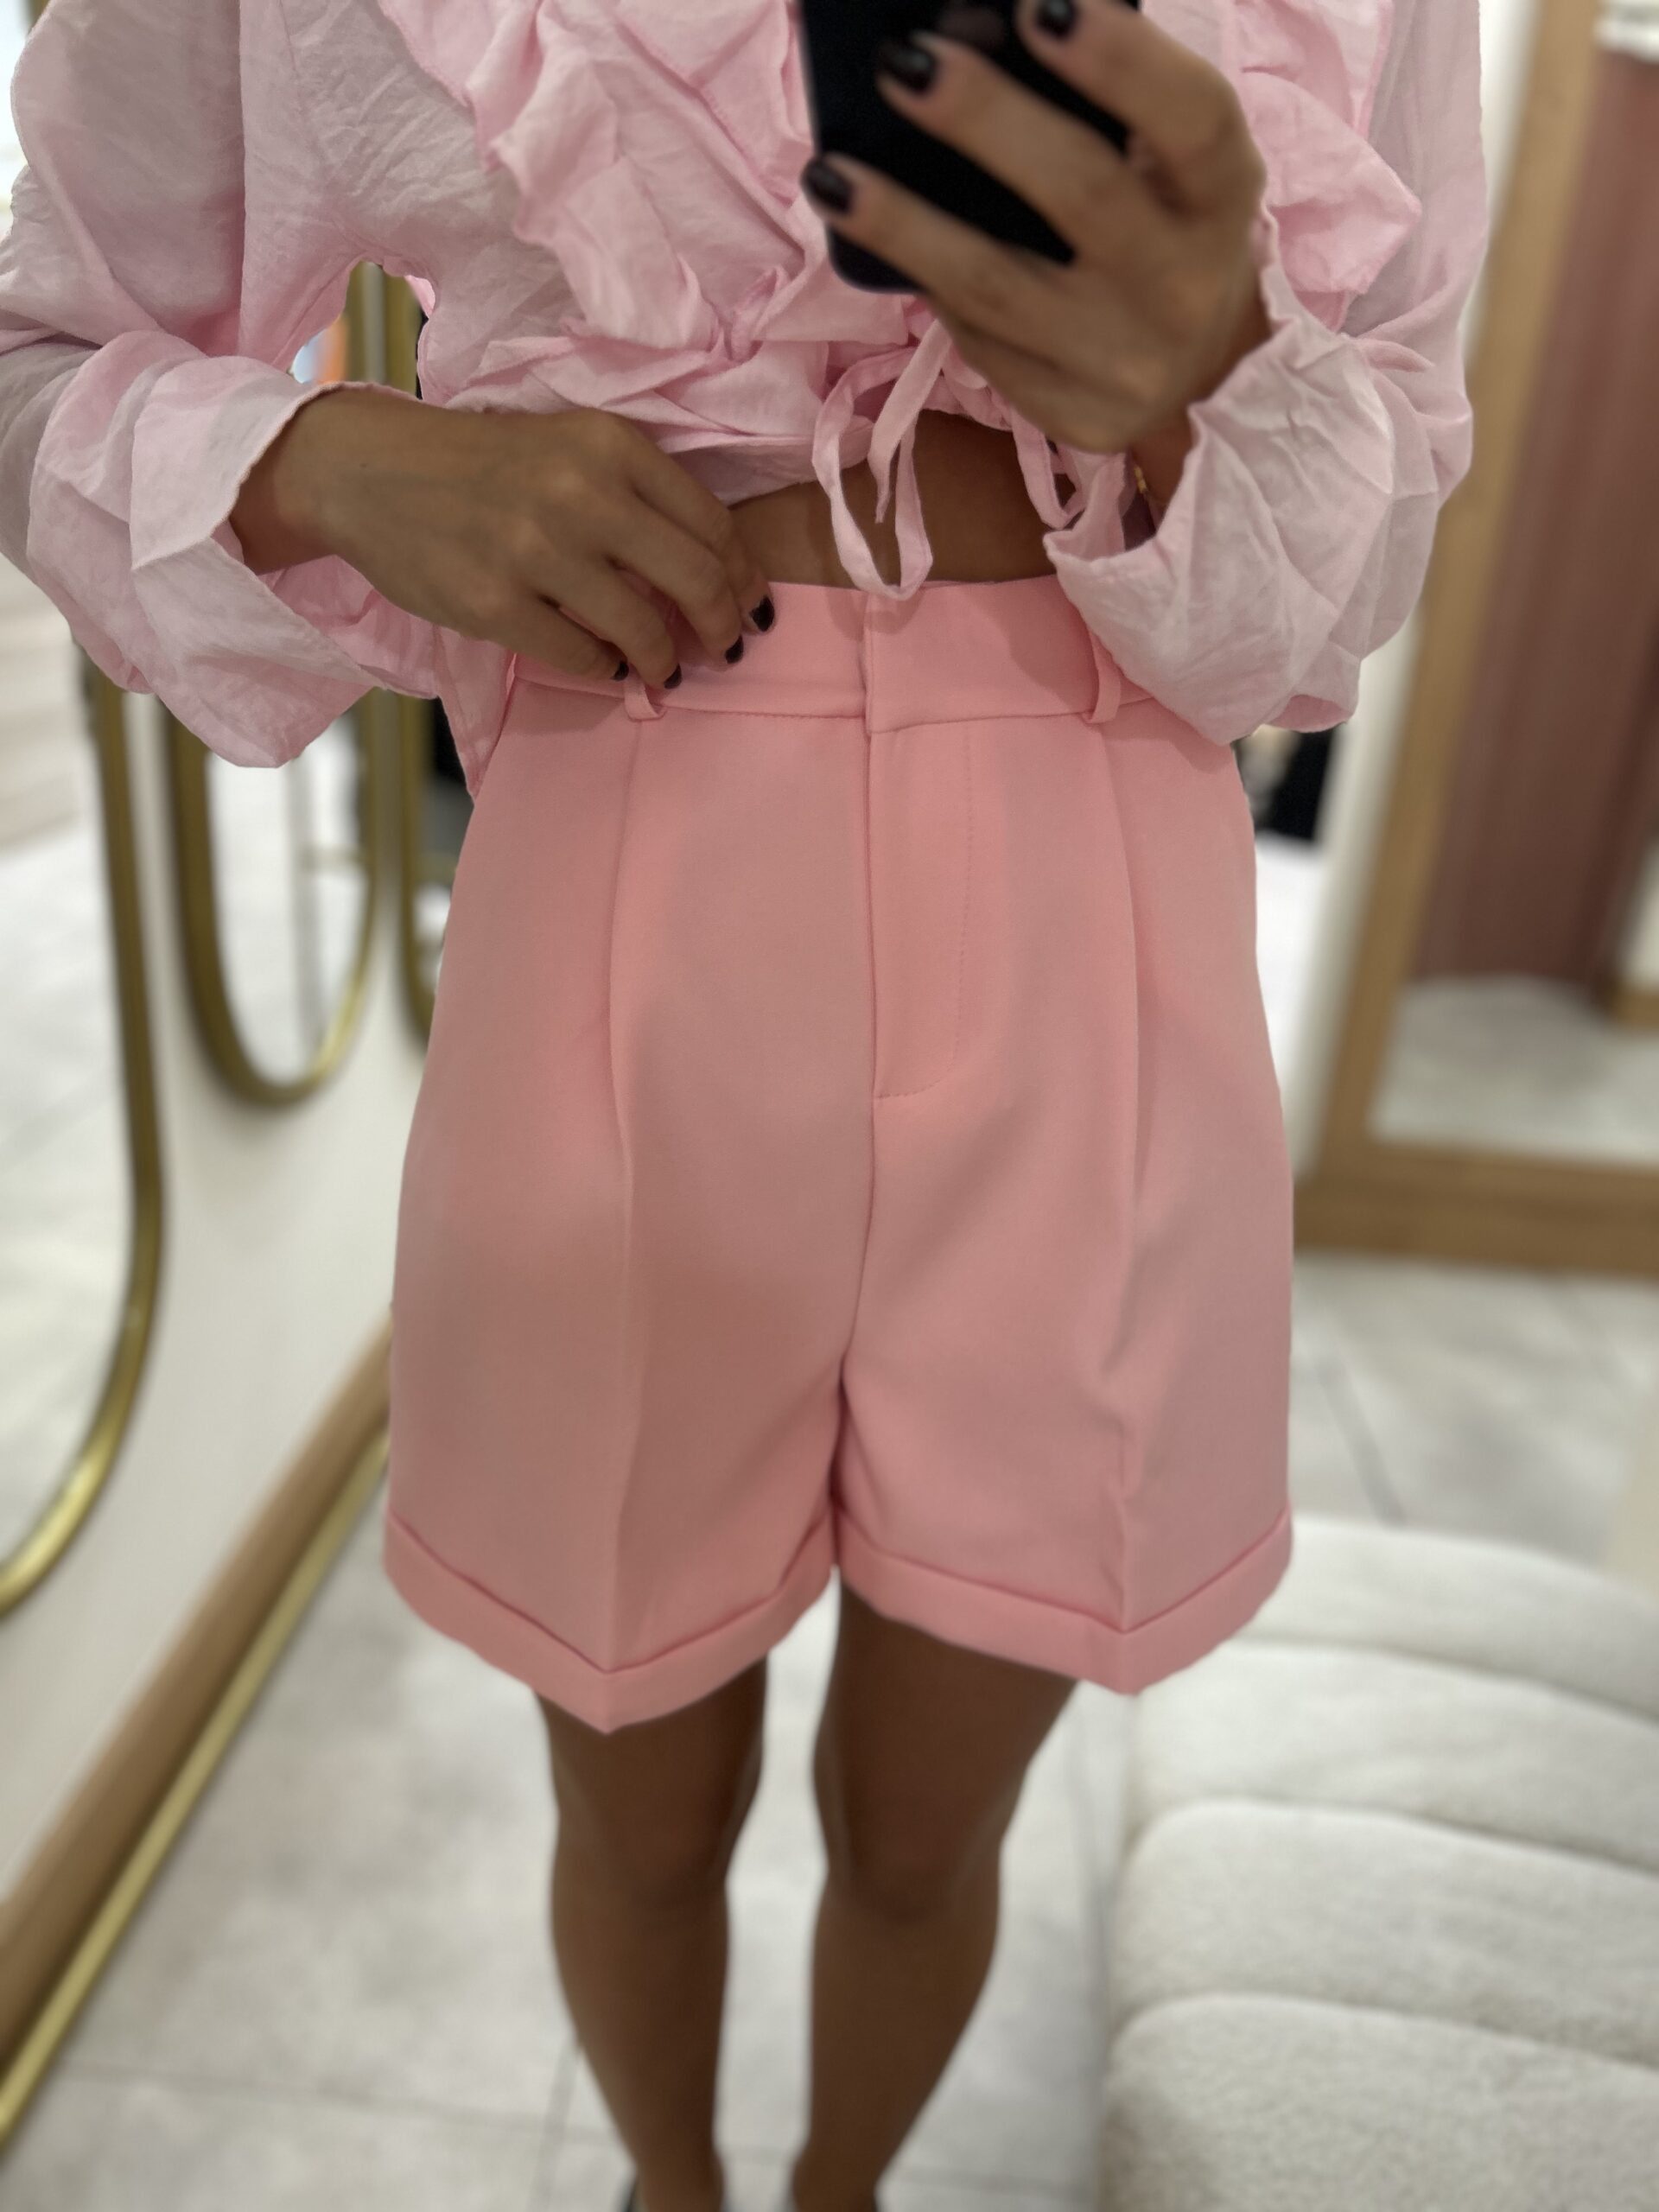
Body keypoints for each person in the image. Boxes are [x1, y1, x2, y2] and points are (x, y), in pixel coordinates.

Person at [0, 3, 1487, 2209]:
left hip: (1100, 885)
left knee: (930, 1822)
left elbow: (1373, 537)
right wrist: (340, 463)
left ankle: (833, 2193)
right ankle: (674, 2189)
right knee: (634, 1791)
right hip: (632, 820)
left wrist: (1211, 378)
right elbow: (39, 352)